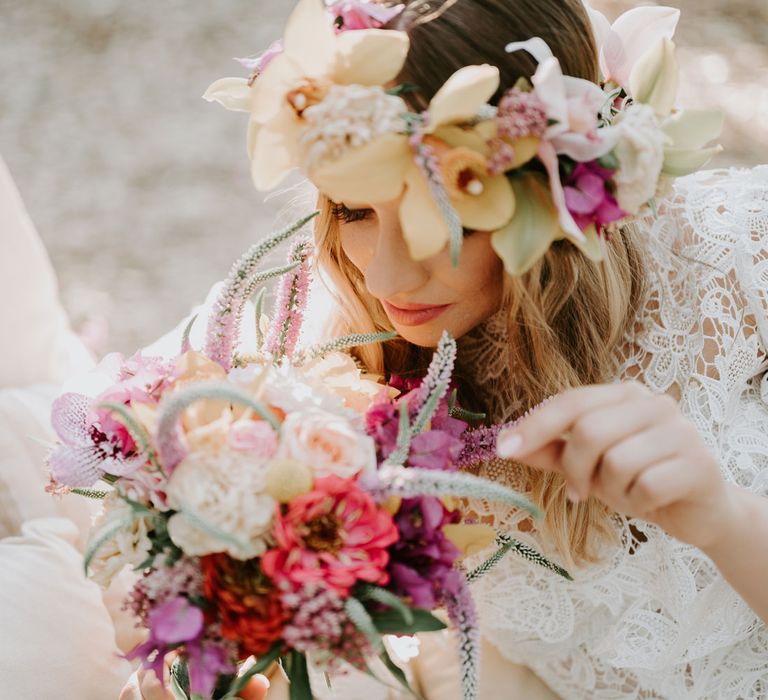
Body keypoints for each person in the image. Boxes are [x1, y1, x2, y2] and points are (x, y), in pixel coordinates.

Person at [194, 0, 768, 697]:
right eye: (353, 211)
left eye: (439, 218)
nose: (385, 279)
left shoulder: (740, 265)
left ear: (553, 195)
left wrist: (723, 517)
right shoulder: (328, 360)